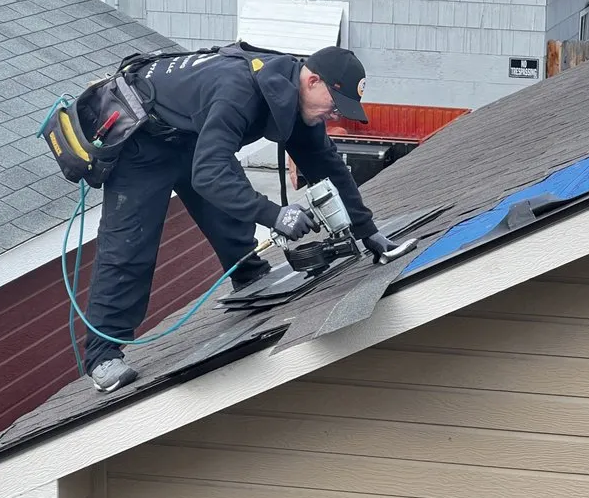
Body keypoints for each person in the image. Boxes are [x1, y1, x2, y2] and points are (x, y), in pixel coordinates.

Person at [81, 44, 405, 393]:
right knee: (130, 246)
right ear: (312, 81)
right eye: (335, 106)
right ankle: (103, 356)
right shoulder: (239, 89)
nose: (336, 116)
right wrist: (275, 215)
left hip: (192, 135)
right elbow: (209, 174)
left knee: (231, 216)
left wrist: (367, 230)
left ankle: (250, 279)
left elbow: (328, 167)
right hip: (143, 143)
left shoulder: (296, 101)